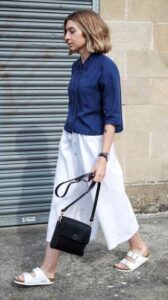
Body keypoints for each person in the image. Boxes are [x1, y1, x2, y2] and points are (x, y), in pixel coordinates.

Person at [14, 10, 150, 286]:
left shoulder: (106, 67)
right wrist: (69, 142)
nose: (66, 37)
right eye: (65, 31)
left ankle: (139, 247)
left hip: (95, 143)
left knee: (110, 196)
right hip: (71, 140)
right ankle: (48, 269)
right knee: (62, 200)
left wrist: (103, 156)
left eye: (71, 31)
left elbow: (112, 117)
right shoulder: (77, 66)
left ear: (88, 31)